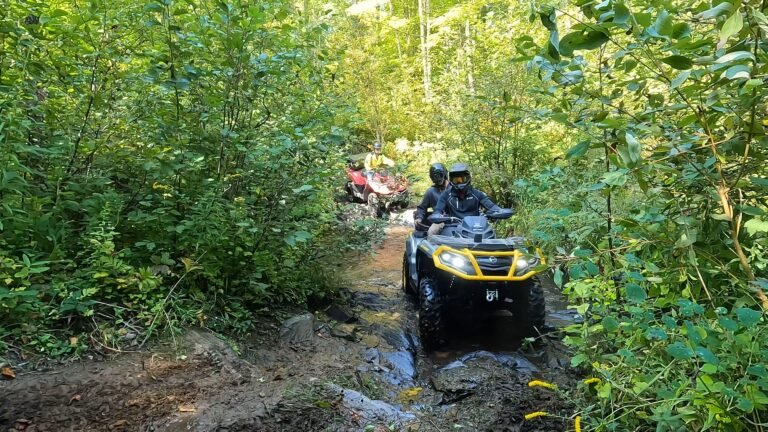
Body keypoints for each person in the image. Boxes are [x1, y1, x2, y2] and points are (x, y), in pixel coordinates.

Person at [428, 163, 506, 235]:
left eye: (463, 179)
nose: (459, 182)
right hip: (453, 227)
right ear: (451, 180)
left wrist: (500, 212)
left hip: (477, 228)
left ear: (468, 178)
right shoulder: (446, 195)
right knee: (433, 236)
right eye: (456, 180)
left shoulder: (477, 194)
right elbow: (438, 210)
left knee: (492, 238)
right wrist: (437, 215)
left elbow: (492, 207)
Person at [414, 163, 449, 230]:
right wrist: (419, 218)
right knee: (431, 232)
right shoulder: (430, 192)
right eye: (435, 176)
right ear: (432, 178)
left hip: (455, 220)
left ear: (445, 174)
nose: (438, 178)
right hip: (439, 222)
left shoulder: (454, 188)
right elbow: (422, 208)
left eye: (440, 175)